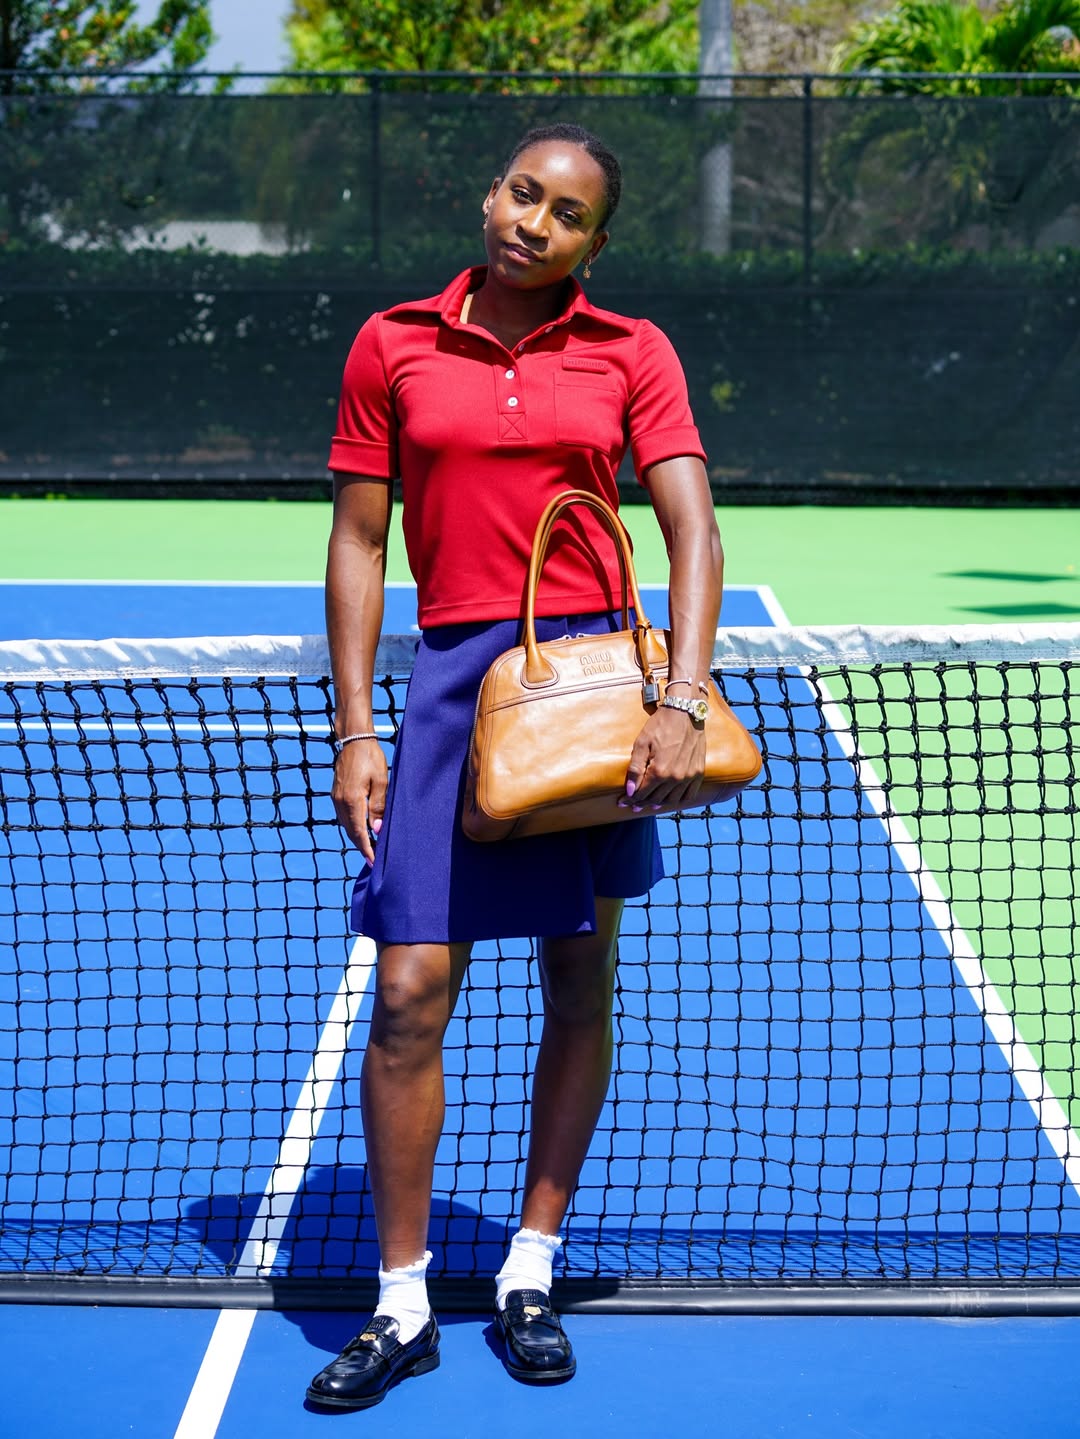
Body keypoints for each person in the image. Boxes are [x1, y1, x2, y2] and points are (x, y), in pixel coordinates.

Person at [307, 122, 723, 1411]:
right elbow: (359, 543)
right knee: (409, 992)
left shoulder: (633, 351)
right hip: (451, 694)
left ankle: (530, 1270)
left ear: (596, 243)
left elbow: (695, 533)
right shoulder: (392, 344)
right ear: (490, 193)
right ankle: (402, 1302)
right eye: (522, 194)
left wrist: (678, 699)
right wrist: (359, 732)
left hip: (592, 695)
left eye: (567, 214)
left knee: (578, 978)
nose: (534, 223)